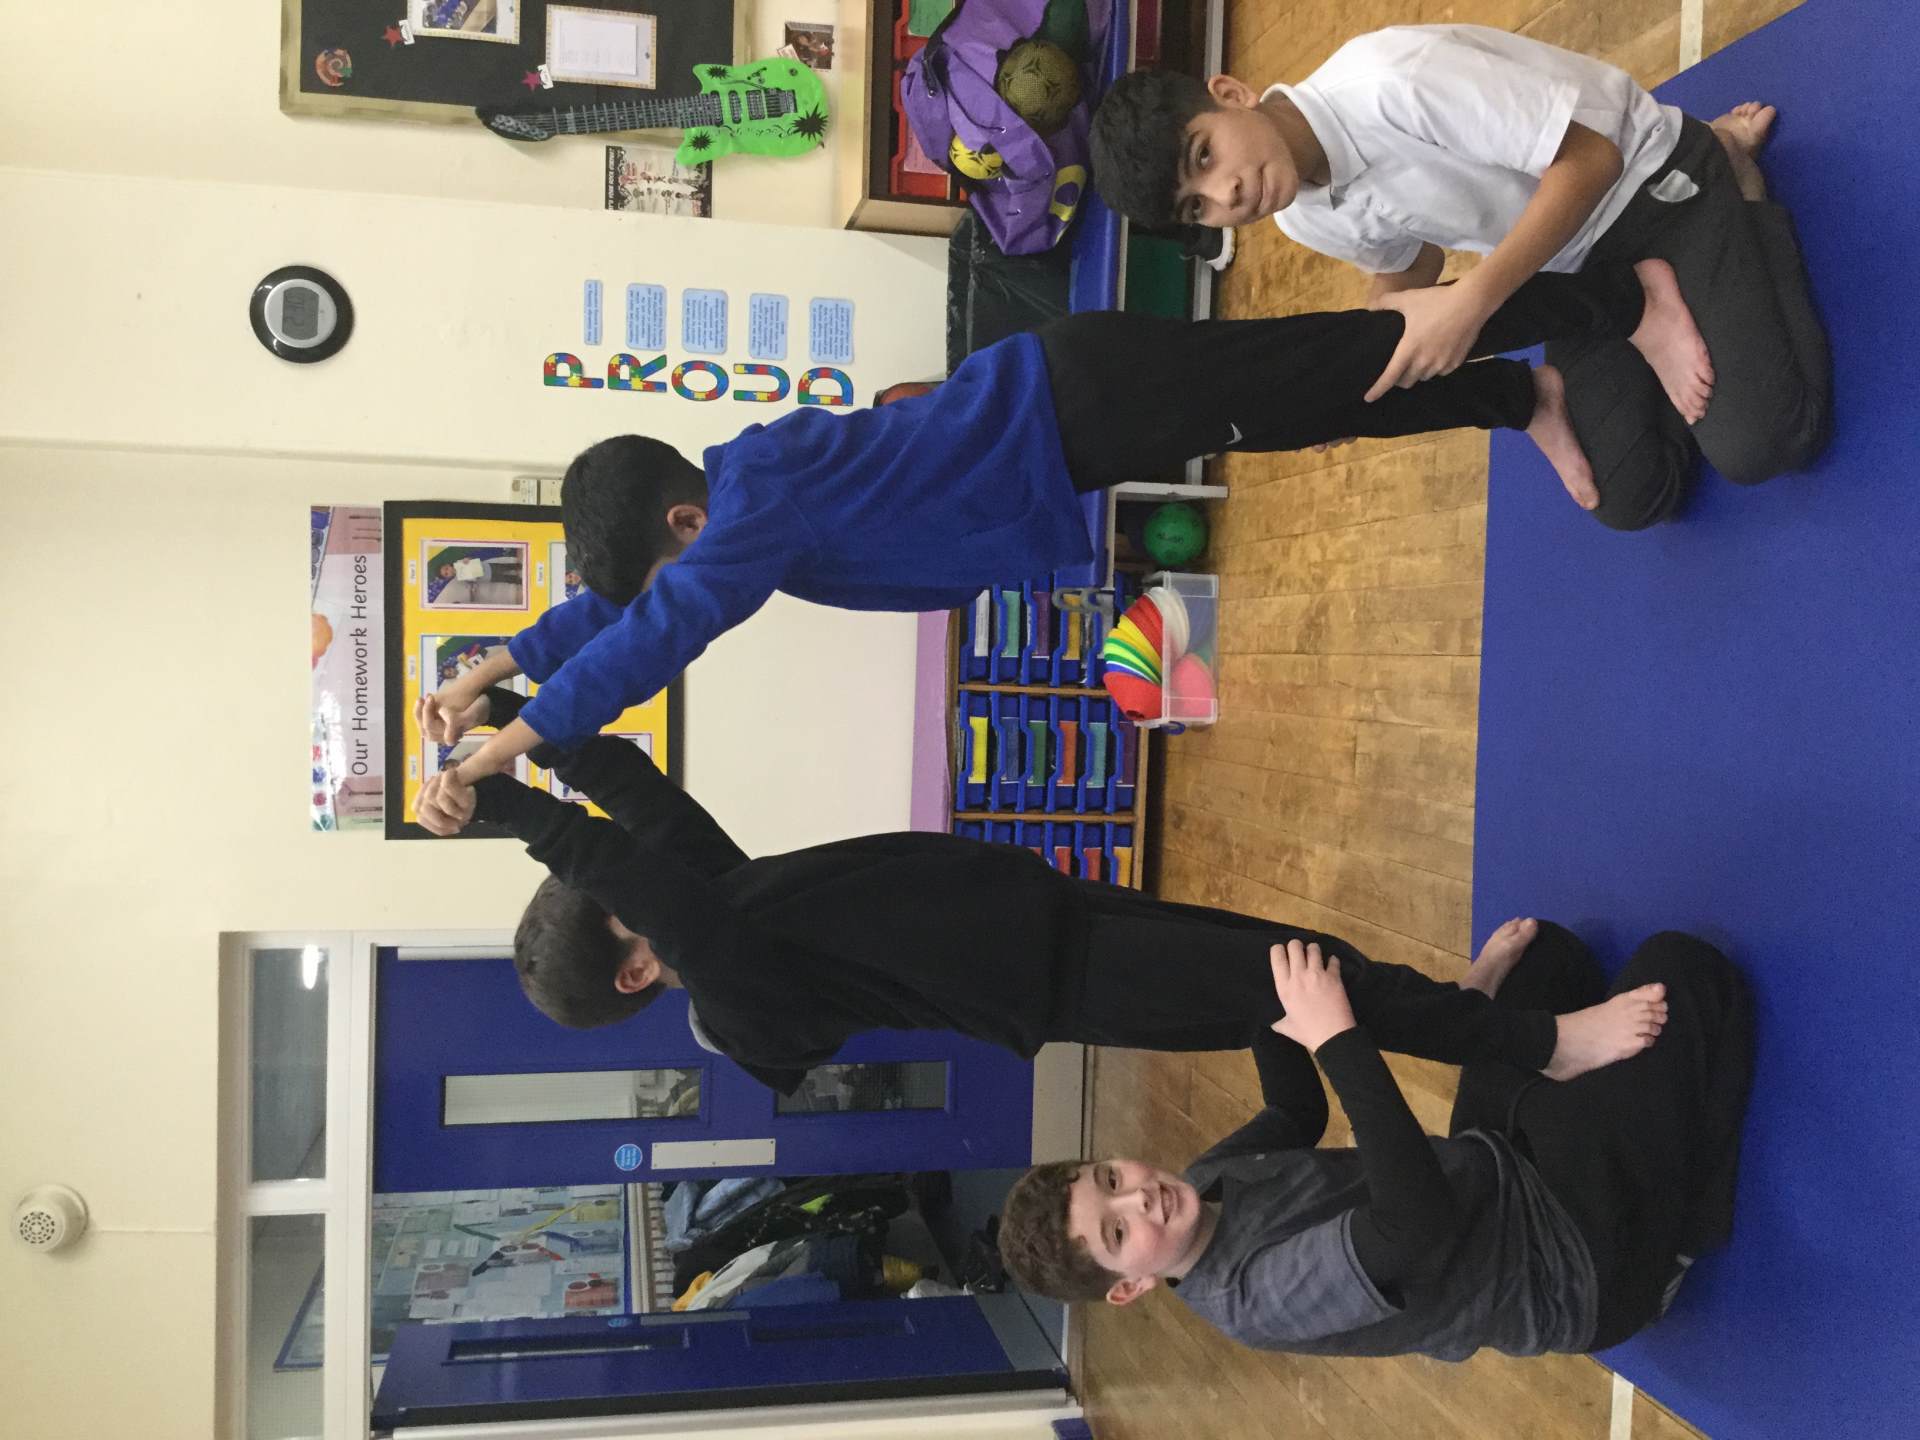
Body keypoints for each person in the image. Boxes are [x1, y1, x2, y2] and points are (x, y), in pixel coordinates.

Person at [419, 274, 1709, 779]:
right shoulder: (730, 507)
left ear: (685, 518)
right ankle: (1519, 398)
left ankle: (1610, 303)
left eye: (671, 561)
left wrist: (507, 749)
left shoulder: (753, 507)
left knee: (1344, 361)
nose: (677, 581)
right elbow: (628, 613)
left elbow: (663, 633)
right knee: (1326, 403)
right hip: (1080, 428)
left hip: (1084, 399)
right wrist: (490, 670)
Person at [410, 686, 1668, 1098]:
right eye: (625, 911)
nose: (641, 888)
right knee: (1302, 986)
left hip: (1053, 914)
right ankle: (1538, 1048)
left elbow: (635, 802)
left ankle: (1461, 1008)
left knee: (1296, 963)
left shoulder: (714, 898)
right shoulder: (737, 1008)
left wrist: (505, 718)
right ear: (638, 967)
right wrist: (505, 812)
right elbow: (626, 865)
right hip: (1067, 980)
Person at [1090, 25, 1832, 530]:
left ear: (1230, 94)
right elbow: (1409, 263)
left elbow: (1593, 159)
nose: (1226, 195)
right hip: (1578, 270)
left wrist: (1474, 303)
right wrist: (1350, 379)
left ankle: (1732, 172)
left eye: (1205, 155)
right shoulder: (1298, 214)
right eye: (1198, 206)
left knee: (1763, 446)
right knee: (1629, 498)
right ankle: (1652, 308)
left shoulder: (1391, 82)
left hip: (1643, 184)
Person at [997, 923, 1752, 1361]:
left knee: (1550, 955)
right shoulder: (1254, 1298)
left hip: (1493, 1170)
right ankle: (1681, 1234)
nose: (1140, 1197)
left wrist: (1248, 998)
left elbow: (1294, 1113)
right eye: (1118, 1232)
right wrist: (1336, 1037)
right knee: (1686, 970)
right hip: (1571, 1266)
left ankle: (1568, 1088)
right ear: (1127, 1288)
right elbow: (1415, 1223)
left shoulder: (1206, 1182)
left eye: (1111, 1177)